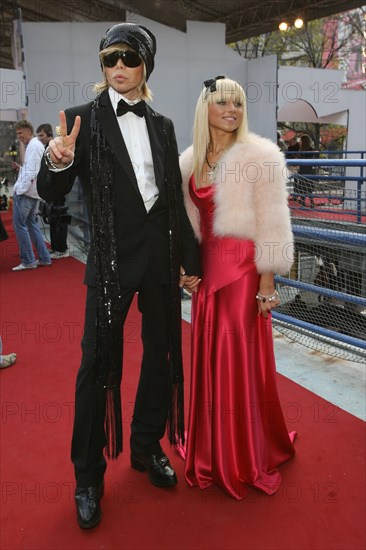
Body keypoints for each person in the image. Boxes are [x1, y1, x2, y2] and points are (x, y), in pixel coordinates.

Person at [37, 23, 201, 529]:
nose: (119, 68)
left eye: (130, 58)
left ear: (145, 65)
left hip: (159, 258)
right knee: (97, 368)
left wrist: (191, 262)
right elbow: (52, 191)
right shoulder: (81, 121)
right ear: (102, 67)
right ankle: (87, 478)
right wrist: (58, 160)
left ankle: (146, 446)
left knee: (161, 355)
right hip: (109, 264)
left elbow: (172, 199)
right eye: (110, 59)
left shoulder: (165, 125)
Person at [179, 76, 296, 500]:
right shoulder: (190, 160)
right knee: (211, 357)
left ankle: (243, 454)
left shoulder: (260, 155)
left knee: (237, 356)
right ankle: (213, 446)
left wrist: (267, 281)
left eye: (239, 104)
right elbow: (185, 225)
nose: (232, 110)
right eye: (223, 102)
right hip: (206, 276)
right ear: (204, 107)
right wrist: (183, 267)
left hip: (244, 272)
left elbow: (273, 221)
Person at [11, 120, 52, 271]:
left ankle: (28, 260)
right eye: (17, 134)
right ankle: (44, 258)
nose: (19, 137)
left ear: (28, 130)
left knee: (20, 226)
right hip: (31, 192)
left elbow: (32, 172)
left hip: (26, 193)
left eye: (20, 133)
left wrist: (19, 189)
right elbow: (31, 170)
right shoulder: (34, 146)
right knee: (32, 226)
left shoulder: (34, 146)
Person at [37, 124, 70, 259]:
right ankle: (55, 247)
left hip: (59, 191)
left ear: (49, 134)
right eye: (38, 135)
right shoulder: (46, 148)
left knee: (60, 219)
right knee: (52, 219)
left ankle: (62, 249)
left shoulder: (56, 147)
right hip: (51, 190)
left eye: (42, 135)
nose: (40, 138)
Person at [295, 134, 316, 208]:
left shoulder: (306, 150)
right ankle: (308, 202)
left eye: (300, 140)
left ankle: (306, 201)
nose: (299, 142)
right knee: (306, 187)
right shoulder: (306, 150)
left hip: (305, 170)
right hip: (306, 170)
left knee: (304, 186)